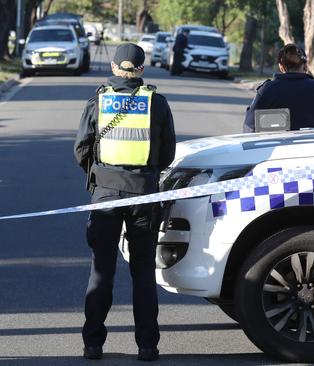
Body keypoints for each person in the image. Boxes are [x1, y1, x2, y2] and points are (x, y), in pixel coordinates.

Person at [73, 43, 176, 362]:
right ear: (141, 71)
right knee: (143, 272)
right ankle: (147, 346)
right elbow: (169, 153)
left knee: (101, 272)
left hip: (105, 193)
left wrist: (100, 176)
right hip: (144, 194)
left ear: (115, 68)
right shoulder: (156, 103)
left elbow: (81, 150)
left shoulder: (97, 101)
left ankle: (93, 345)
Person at [243, 44, 314, 133]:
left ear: (281, 67)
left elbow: (249, 127)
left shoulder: (267, 90)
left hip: (278, 149)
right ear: (305, 66)